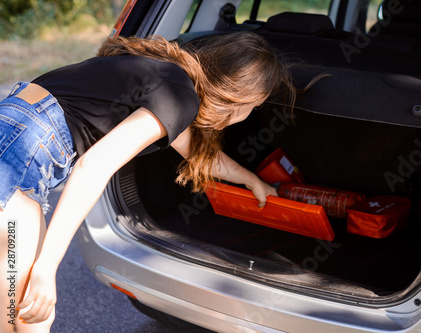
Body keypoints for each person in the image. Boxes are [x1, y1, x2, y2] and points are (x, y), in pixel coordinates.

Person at [0, 31, 298, 332]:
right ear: (241, 97)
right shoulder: (180, 98)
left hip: (15, 137)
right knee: (18, 312)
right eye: (254, 106)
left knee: (30, 314)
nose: (248, 115)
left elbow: (197, 153)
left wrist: (251, 181)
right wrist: (48, 267)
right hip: (19, 157)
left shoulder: (166, 75)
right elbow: (93, 166)